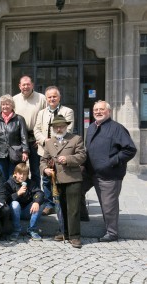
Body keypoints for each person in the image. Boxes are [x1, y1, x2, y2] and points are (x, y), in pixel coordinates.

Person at [85, 101, 137, 242]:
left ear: (109, 111)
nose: (98, 112)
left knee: (108, 206)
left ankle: (112, 233)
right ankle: (82, 215)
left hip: (109, 175)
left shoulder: (117, 128)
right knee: (74, 190)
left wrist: (111, 162)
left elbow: (130, 149)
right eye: (95, 109)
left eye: (101, 109)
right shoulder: (91, 128)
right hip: (90, 173)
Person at [40, 115, 86, 248]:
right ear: (53, 128)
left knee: (73, 209)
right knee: (61, 208)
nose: (59, 129)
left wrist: (68, 159)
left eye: (61, 126)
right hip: (57, 180)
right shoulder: (49, 142)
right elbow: (43, 160)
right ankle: (64, 232)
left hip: (72, 178)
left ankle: (75, 236)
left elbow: (82, 156)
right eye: (56, 127)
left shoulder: (75, 139)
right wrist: (45, 170)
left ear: (66, 126)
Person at [34, 86, 74, 216]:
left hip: (61, 151)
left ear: (59, 97)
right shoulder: (41, 113)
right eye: (49, 97)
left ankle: (60, 203)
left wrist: (53, 143)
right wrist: (45, 140)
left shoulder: (67, 111)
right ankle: (49, 204)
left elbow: (68, 130)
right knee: (45, 179)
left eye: (54, 96)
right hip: (44, 151)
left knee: (60, 177)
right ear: (46, 99)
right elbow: (37, 130)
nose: (52, 99)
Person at [13, 76, 46, 187]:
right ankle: (21, 194)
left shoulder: (41, 98)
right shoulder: (14, 99)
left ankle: (36, 195)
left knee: (35, 170)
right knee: (20, 170)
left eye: (28, 84)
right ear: (19, 86)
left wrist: (42, 138)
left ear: (32, 85)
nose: (26, 87)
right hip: (19, 140)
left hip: (35, 140)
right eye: (23, 84)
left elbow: (46, 118)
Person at [0, 94, 29, 180]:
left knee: (14, 176)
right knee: (1, 177)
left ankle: (13, 193)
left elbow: (24, 136)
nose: (5, 106)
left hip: (15, 153)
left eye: (7, 104)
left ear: (12, 105)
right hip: (0, 153)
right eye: (3, 104)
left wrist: (25, 151)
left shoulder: (19, 119)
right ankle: (3, 193)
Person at [4, 163, 44, 241]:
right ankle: (16, 230)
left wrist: (36, 202)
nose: (22, 176)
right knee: (14, 204)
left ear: (27, 175)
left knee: (40, 204)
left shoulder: (31, 183)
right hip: (14, 212)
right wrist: (17, 194)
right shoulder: (9, 183)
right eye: (20, 174)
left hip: (27, 211)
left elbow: (39, 193)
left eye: (24, 174)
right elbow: (5, 198)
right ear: (15, 173)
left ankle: (31, 230)